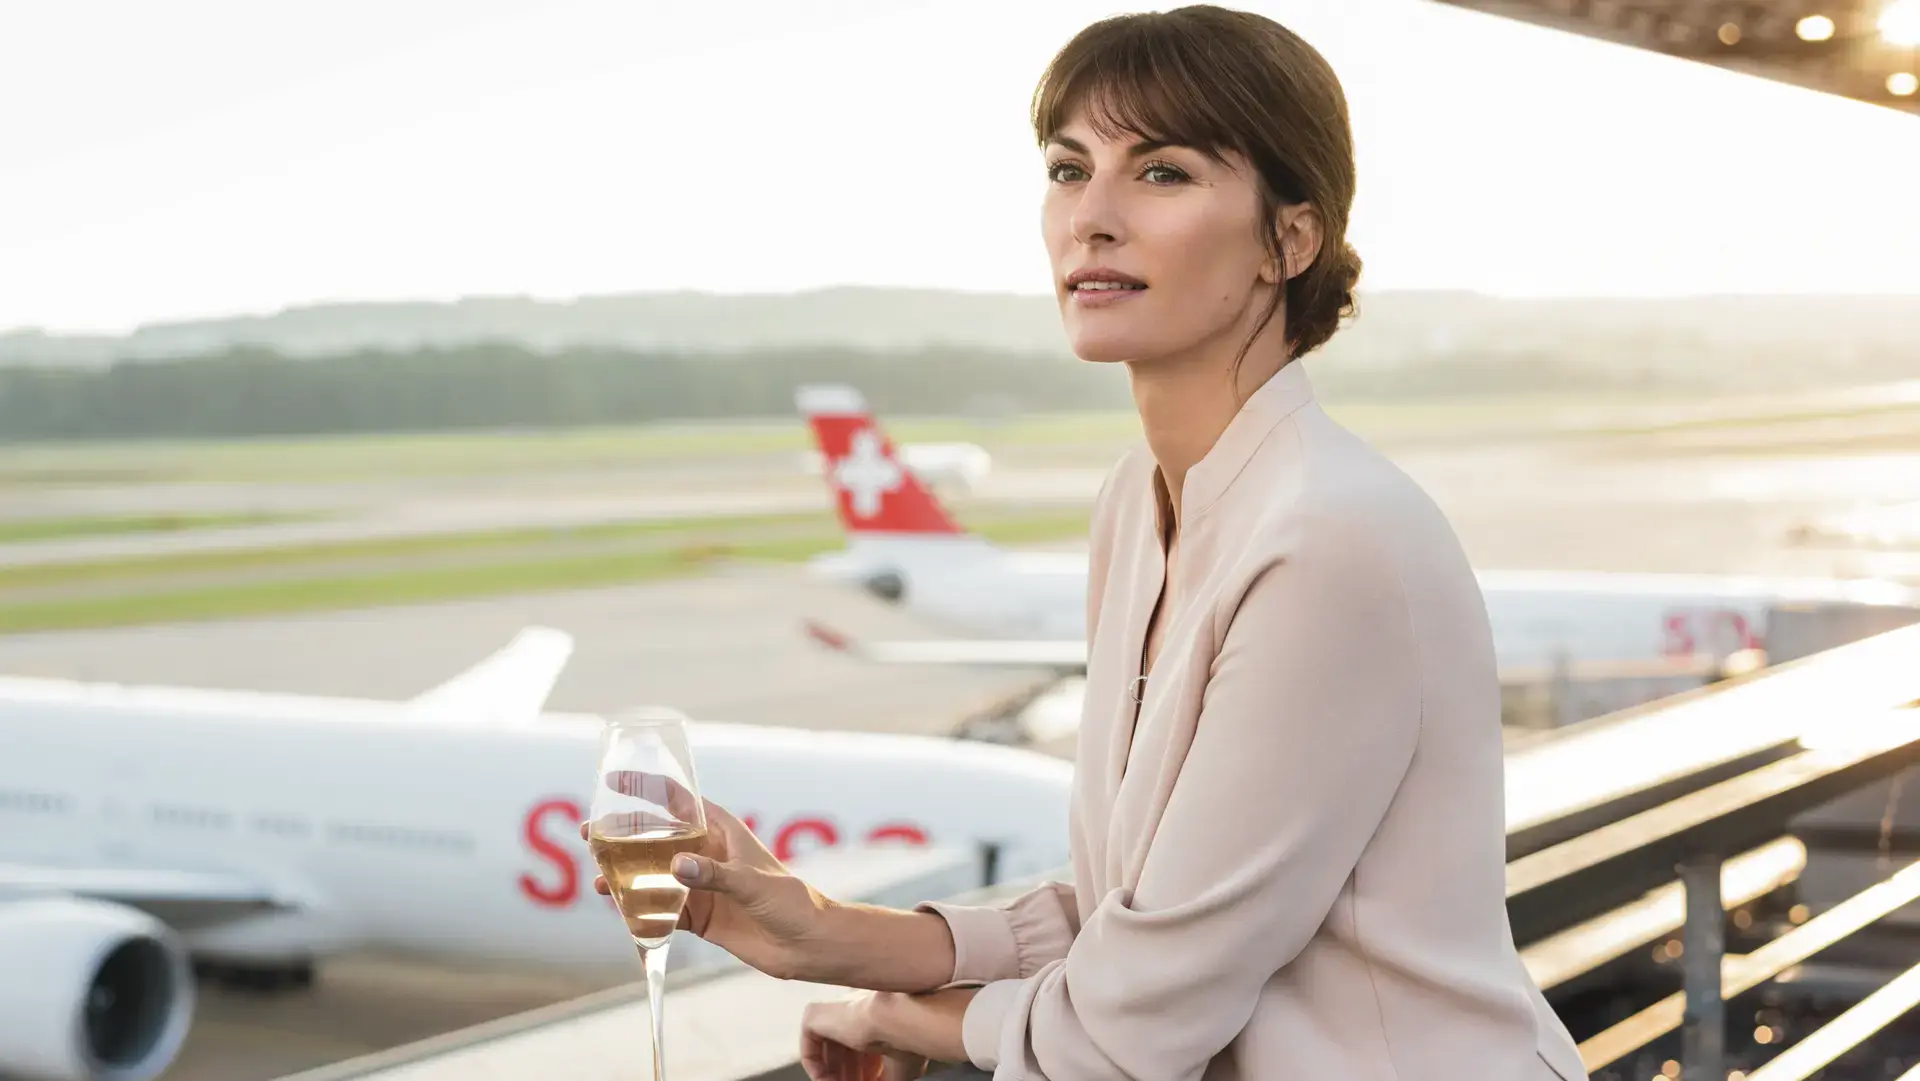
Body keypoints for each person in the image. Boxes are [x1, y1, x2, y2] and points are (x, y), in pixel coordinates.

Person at [592, 6, 1588, 1079]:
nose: (1092, 219)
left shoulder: (1330, 540)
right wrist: (826, 929)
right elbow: (1144, 911)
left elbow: (1130, 1027)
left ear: (1289, 239)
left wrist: (899, 1016)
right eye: (1070, 170)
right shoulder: (1140, 503)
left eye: (1161, 173)